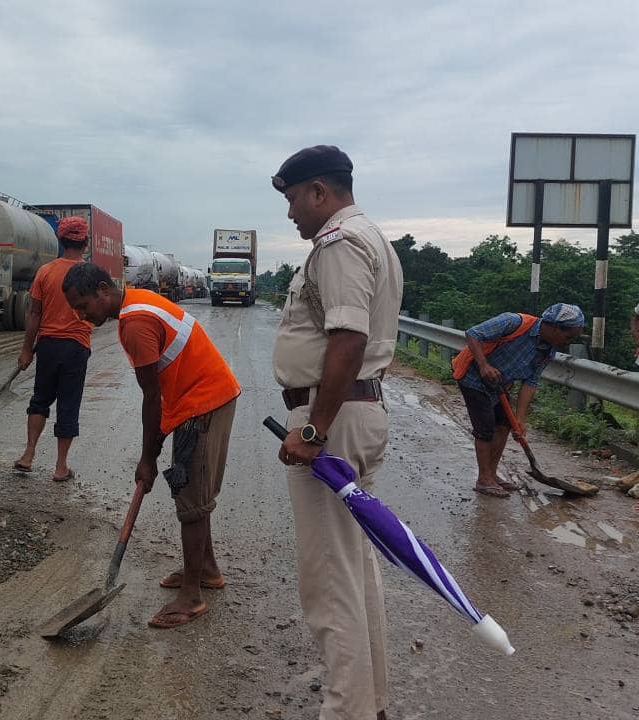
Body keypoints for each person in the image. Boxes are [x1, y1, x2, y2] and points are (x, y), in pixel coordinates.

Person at [270, 145, 402, 720]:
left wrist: (315, 430)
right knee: (353, 566)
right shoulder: (369, 237)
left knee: (329, 578)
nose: (292, 213)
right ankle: (367, 701)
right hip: (354, 412)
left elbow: (347, 339)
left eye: (295, 199)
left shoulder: (340, 243)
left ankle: (346, 709)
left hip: (336, 417)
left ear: (320, 192)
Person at [62, 262, 240, 629]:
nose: (81, 316)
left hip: (201, 402)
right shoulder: (137, 303)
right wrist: (153, 453)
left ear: (102, 290)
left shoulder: (136, 323)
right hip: (200, 399)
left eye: (83, 306)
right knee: (194, 490)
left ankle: (191, 596)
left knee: (191, 499)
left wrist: (148, 459)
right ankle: (206, 569)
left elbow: (151, 398)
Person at [454, 303, 586, 497]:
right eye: (568, 336)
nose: (567, 342)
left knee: (506, 424)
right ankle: (484, 479)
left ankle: (492, 474)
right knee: (485, 428)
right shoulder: (514, 322)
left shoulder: (547, 351)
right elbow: (473, 333)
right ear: (554, 327)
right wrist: (483, 365)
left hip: (499, 384)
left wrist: (520, 420)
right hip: (473, 376)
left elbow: (530, 383)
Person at [13, 216, 94, 481]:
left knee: (40, 400)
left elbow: (34, 314)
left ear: (60, 241)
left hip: (47, 346)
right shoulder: (89, 275)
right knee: (68, 405)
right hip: (77, 348)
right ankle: (60, 467)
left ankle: (28, 454)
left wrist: (27, 349)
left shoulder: (45, 271)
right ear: (85, 242)